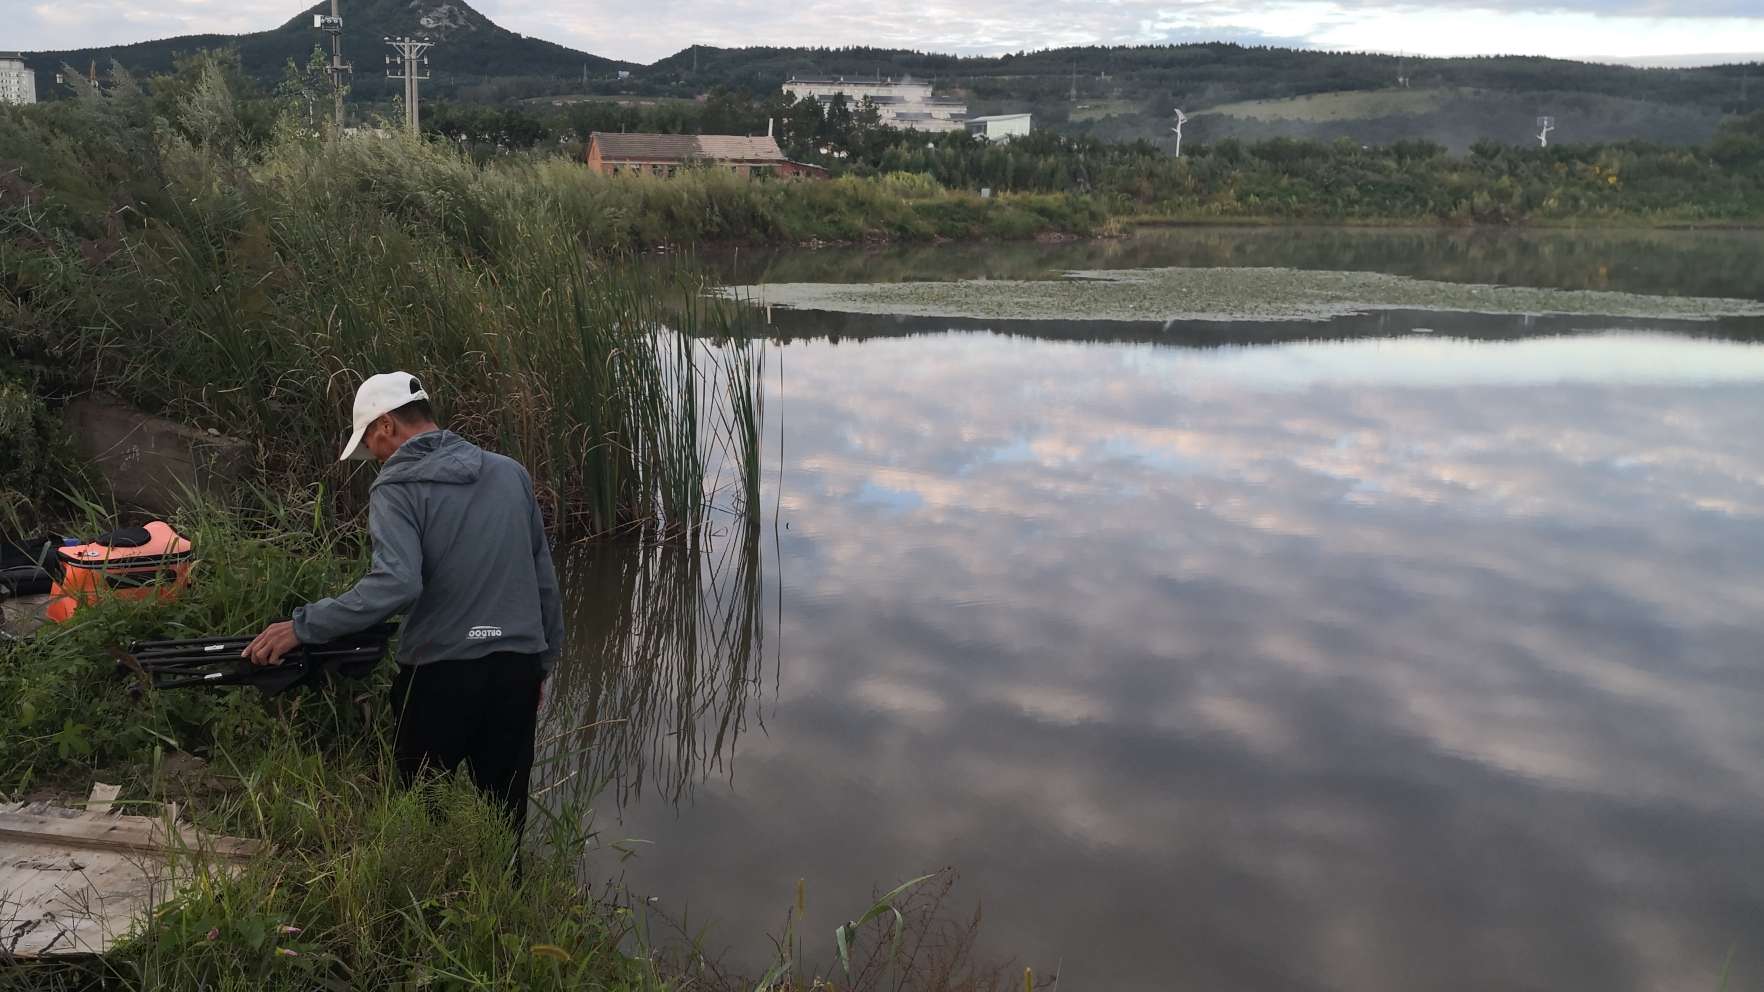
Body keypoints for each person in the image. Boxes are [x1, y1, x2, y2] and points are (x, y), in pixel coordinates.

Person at [243, 371, 563, 840]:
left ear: (387, 425)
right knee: (504, 820)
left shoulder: (396, 486)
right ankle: (501, 900)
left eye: (370, 442)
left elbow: (395, 584)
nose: (373, 456)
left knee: (421, 818)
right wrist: (542, 662)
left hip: (440, 676)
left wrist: (302, 627)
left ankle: (428, 900)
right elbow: (544, 583)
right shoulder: (509, 472)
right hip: (516, 670)